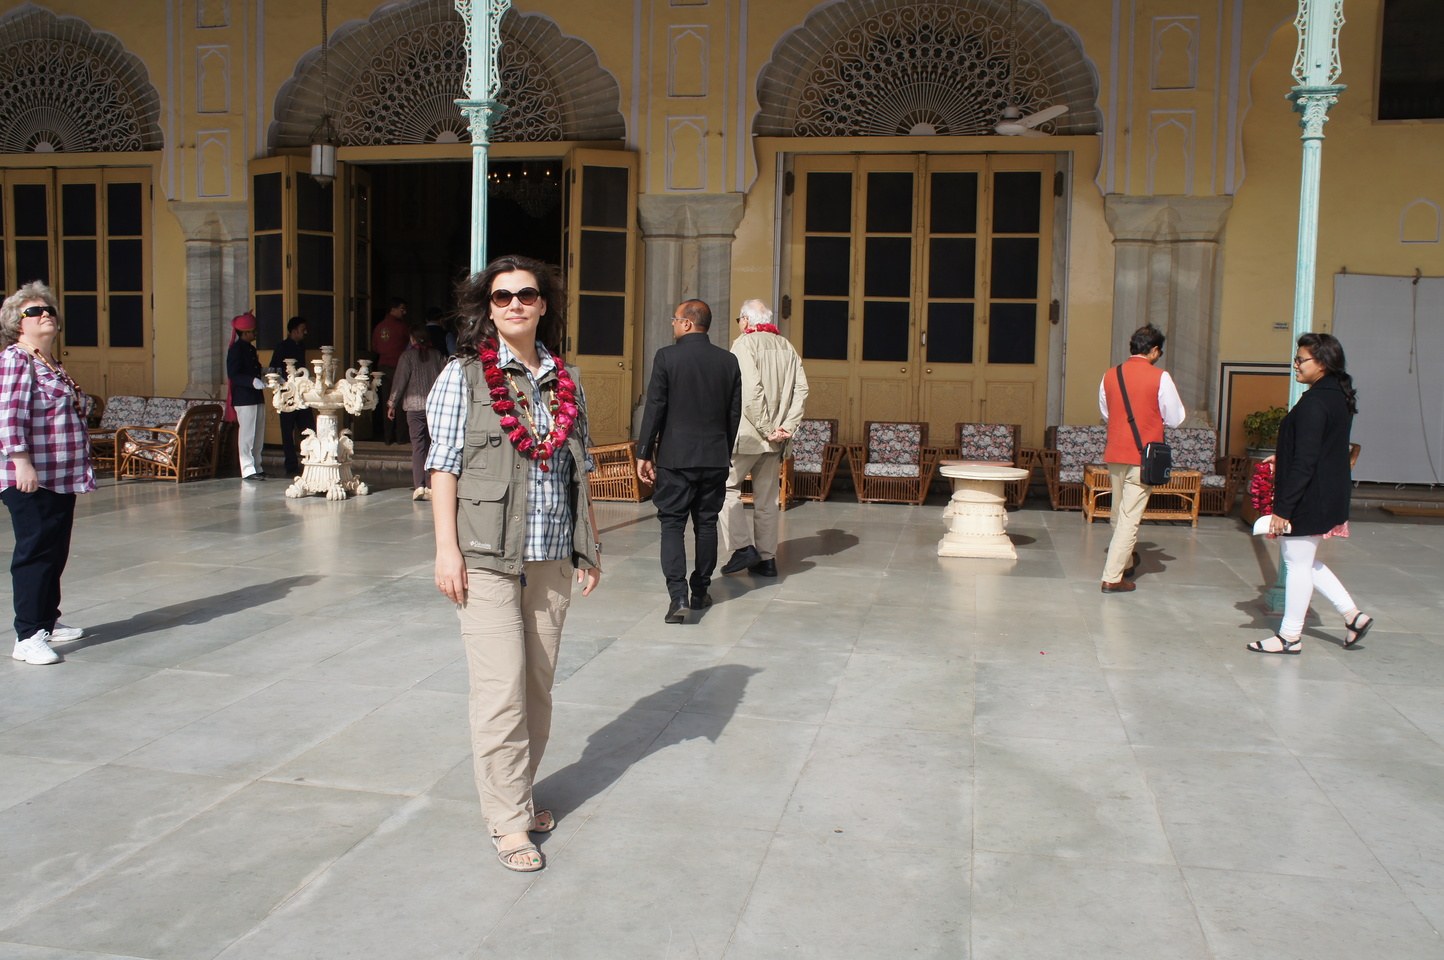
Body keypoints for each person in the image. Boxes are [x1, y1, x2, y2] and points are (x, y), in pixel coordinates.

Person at [426, 253, 601, 873]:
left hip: (550, 553)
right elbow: (443, 466)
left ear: (543, 304)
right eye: (502, 297)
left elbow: (579, 468)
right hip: (485, 556)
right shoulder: (463, 377)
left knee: (537, 690)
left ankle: (519, 797)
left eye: (526, 294)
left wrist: (588, 546)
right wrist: (446, 549)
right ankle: (507, 822)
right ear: (488, 308)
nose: (516, 305)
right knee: (501, 692)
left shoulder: (567, 380)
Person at [1249, 333, 1371, 654]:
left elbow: (1306, 460)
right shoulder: (1336, 395)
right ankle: (1353, 616)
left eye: (1301, 359)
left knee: (1297, 564)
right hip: (1325, 490)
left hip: (1310, 494)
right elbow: (1320, 446)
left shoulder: (1315, 402)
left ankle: (1289, 637)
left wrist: (1283, 508)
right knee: (1302, 559)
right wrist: (1283, 456)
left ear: (1323, 363)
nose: (1295, 365)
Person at [0, 281, 96, 665]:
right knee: (35, 553)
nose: (45, 315)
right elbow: (9, 416)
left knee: (55, 551)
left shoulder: (49, 362)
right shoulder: (16, 359)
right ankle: (27, 635)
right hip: (31, 475)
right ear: (17, 322)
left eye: (49, 310)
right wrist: (20, 462)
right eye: (34, 311)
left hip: (60, 474)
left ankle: (46, 622)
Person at [636, 299, 742, 623]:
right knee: (706, 525)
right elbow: (734, 413)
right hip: (714, 457)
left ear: (686, 323)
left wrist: (644, 452)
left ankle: (677, 596)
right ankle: (700, 591)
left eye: (674, 319)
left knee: (672, 524)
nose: (672, 323)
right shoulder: (728, 361)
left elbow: (655, 407)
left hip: (676, 457)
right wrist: (722, 450)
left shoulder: (667, 356)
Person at [720, 299, 808, 579]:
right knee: (767, 499)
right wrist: (786, 427)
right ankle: (767, 559)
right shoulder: (787, 347)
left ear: (746, 320)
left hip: (749, 434)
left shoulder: (744, 344)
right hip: (775, 438)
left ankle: (742, 547)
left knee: (724, 488)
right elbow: (801, 391)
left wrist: (767, 427)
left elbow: (750, 392)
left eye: (739, 320)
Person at [1098, 324, 1185, 592]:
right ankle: (1112, 577)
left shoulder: (1110, 374)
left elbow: (1106, 412)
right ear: (1155, 350)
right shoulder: (1160, 377)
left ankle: (1125, 562)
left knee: (1117, 512)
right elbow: (1175, 418)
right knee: (1129, 519)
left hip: (1115, 452)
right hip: (1143, 455)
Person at [389, 320, 446, 500]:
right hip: (435, 407)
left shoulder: (407, 357)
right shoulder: (437, 355)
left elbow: (400, 382)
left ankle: (419, 486)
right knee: (433, 445)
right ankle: (431, 485)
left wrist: (392, 404)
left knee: (418, 446)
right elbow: (445, 379)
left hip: (414, 408)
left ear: (412, 338)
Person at [269, 316, 315, 477]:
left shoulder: (301, 346)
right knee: (287, 432)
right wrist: (284, 384)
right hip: (287, 394)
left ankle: (311, 461)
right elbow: (273, 369)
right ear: (294, 331)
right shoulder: (282, 347)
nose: (305, 332)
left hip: (302, 394)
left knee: (308, 429)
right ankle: (291, 466)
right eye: (303, 329)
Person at [226, 311, 268, 481]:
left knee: (258, 434)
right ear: (245, 333)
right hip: (244, 398)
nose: (256, 333)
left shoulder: (250, 348)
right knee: (247, 435)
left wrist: (264, 377)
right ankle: (247, 469)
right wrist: (251, 381)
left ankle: (257, 466)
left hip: (255, 396)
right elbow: (233, 374)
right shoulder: (236, 350)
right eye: (253, 331)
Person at [372, 298, 409, 444]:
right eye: (402, 309)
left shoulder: (379, 327)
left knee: (386, 402)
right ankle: (401, 437)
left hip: (382, 367)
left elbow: (375, 347)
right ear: (393, 309)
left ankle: (387, 436)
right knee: (399, 402)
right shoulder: (402, 327)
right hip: (397, 367)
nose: (404, 312)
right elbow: (409, 344)